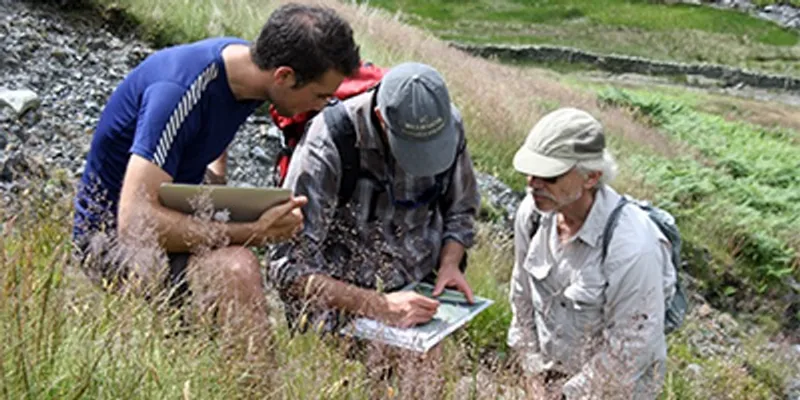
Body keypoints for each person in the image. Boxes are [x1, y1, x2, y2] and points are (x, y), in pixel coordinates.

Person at [71, 3, 361, 347]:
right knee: (236, 268)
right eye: (319, 95)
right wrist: (250, 231)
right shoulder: (178, 92)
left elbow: (209, 130)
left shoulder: (243, 72)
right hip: (108, 242)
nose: (321, 107)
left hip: (169, 213)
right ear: (284, 75)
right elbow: (134, 222)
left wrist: (217, 188)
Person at [269, 62, 480, 394]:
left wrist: (451, 262)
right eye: (412, 151)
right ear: (382, 119)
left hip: (419, 300)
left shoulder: (448, 127)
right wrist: (380, 306)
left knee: (426, 374)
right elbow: (287, 270)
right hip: (342, 306)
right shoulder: (328, 142)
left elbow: (462, 209)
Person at [507, 108, 676, 399]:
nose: (533, 183)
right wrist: (532, 369)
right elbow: (521, 294)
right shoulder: (533, 214)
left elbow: (632, 346)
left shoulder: (632, 246)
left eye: (550, 175)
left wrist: (567, 394)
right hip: (548, 381)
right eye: (530, 171)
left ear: (591, 177)